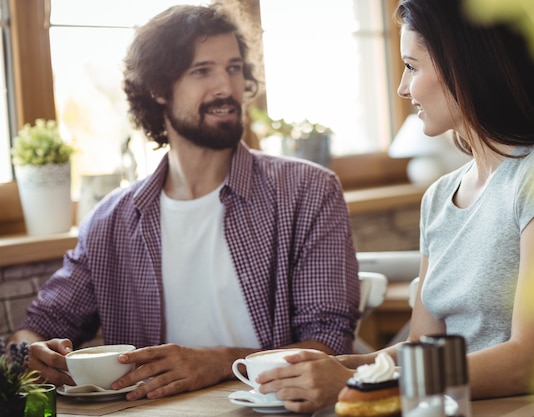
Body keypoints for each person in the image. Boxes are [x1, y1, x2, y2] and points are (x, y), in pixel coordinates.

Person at [255, 0, 534, 412]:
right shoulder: (438, 197)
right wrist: (350, 366)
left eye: (412, 66)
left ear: (463, 67)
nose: (402, 87)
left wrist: (355, 384)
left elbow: (529, 360)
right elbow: (421, 347)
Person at [8, 3, 360, 401]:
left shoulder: (308, 191)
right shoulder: (110, 221)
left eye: (233, 67)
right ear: (158, 88)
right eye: (202, 71)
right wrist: (31, 353)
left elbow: (329, 345)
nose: (226, 87)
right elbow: (38, 327)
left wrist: (220, 363)